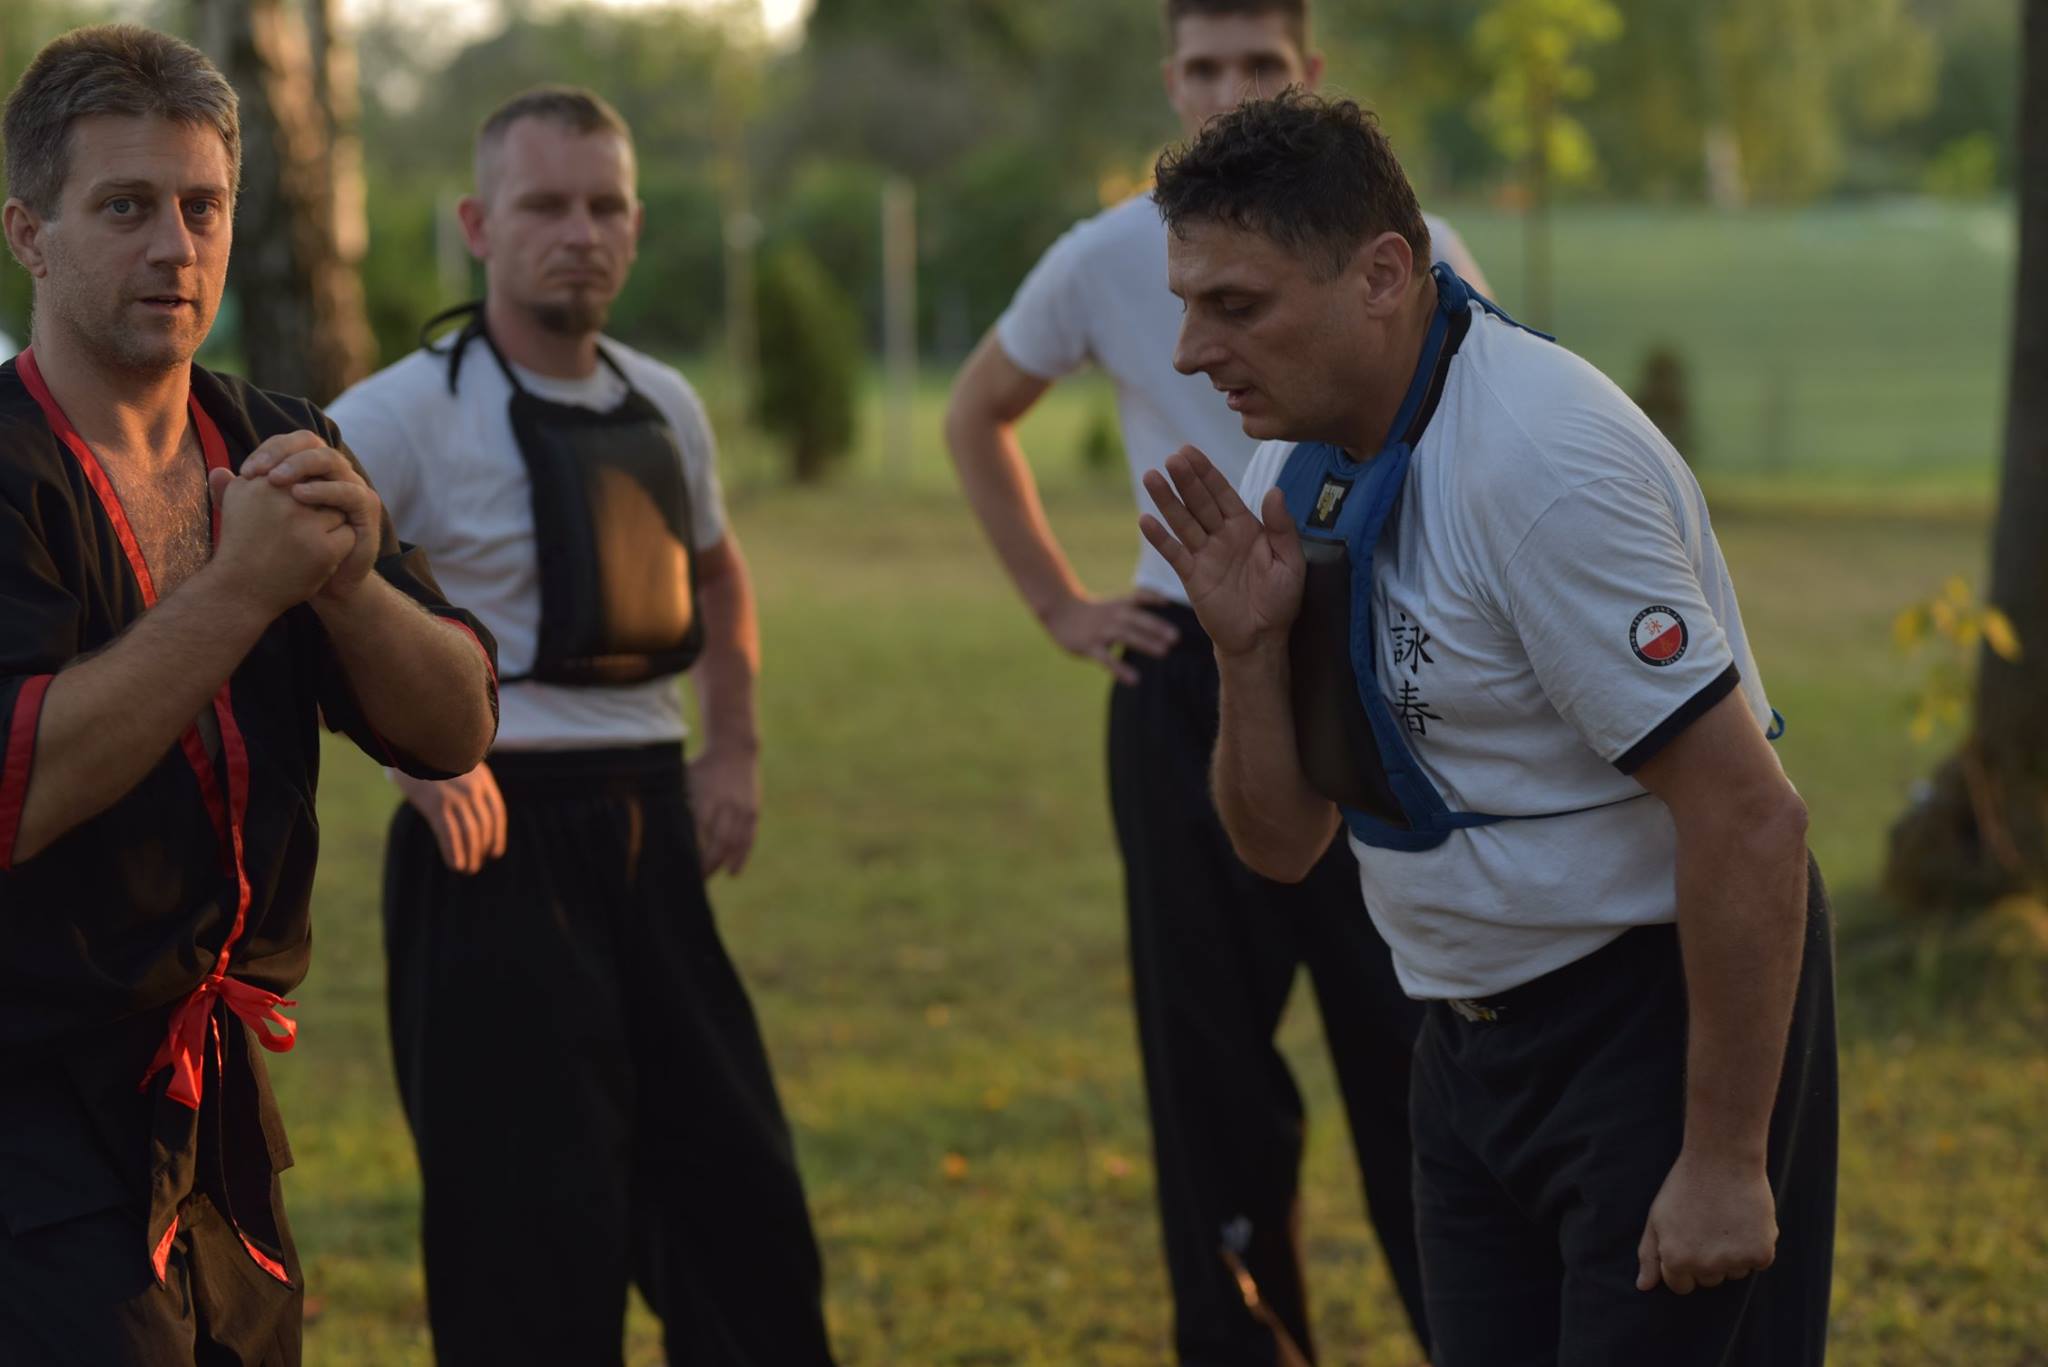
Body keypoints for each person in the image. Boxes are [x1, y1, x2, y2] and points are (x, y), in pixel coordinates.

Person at [1139, 91, 1836, 1367]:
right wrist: (1244, 653)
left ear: (1380, 275)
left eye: (1233, 304)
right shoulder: (1290, 470)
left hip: (1650, 1029)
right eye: (1185, 303)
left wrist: (1724, 1158)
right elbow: (1281, 844)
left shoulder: (1537, 464)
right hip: (1461, 1049)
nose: (1190, 351)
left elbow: (1750, 816)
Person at [945, 2, 1481, 1360]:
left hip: (1365, 666)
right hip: (1186, 670)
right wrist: (1060, 601)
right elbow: (975, 410)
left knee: (1406, 1038)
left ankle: (1471, 1325)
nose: (1230, 89)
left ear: (1309, 75)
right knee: (1208, 1065)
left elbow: (1471, 436)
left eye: (1259, 65)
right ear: (1168, 79)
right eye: (1204, 66)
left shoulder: (1402, 246)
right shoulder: (1107, 255)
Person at [0, 25, 498, 1366]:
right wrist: (242, 587)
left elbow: (455, 722)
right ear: (29, 234)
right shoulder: (10, 470)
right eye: (125, 207)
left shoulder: (280, 441)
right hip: (32, 1108)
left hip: (220, 1105)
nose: (175, 246)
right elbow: (20, 787)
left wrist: (345, 585)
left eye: (203, 206)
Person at [326, 86, 834, 1367]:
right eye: (545, 205)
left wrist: (733, 748)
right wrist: (411, 758)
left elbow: (717, 574)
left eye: (605, 207)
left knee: (742, 1212)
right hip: (491, 845)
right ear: (477, 225)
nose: (579, 233)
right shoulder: (400, 413)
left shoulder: (664, 401)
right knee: (528, 1239)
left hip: (650, 822)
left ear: (636, 225)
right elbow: (288, 588)